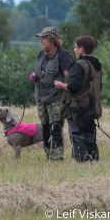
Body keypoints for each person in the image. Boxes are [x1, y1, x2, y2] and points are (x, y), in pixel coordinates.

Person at [54, 35, 102, 162]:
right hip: (92, 105)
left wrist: (61, 84)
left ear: (81, 49)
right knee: (90, 135)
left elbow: (73, 87)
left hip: (78, 107)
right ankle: (93, 160)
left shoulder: (79, 65)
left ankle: (82, 161)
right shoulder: (95, 64)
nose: (74, 50)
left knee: (77, 134)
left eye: (75, 47)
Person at [30, 27, 73, 160]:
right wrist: (33, 76)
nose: (41, 41)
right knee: (45, 127)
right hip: (41, 98)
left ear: (51, 39)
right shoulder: (41, 55)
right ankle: (49, 154)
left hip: (57, 99)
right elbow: (38, 71)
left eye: (43, 38)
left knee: (56, 127)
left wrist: (66, 93)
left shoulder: (63, 56)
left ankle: (57, 156)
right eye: (40, 38)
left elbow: (69, 77)